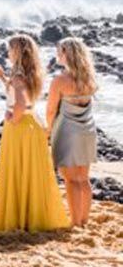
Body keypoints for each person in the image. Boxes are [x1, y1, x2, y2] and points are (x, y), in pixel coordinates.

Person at [0, 34, 70, 232]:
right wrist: (2, 78)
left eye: (10, 49)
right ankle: (32, 217)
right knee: (31, 173)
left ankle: (19, 218)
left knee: (17, 170)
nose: (7, 53)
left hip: (21, 126)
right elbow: (23, 94)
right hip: (33, 122)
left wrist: (13, 116)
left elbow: (20, 102)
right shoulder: (32, 73)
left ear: (17, 52)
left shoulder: (18, 76)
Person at [46, 37, 98, 227]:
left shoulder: (60, 80)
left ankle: (75, 222)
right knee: (83, 178)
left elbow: (51, 110)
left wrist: (48, 131)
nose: (57, 54)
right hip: (88, 129)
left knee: (70, 180)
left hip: (68, 130)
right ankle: (84, 220)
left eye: (59, 51)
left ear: (66, 53)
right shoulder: (89, 79)